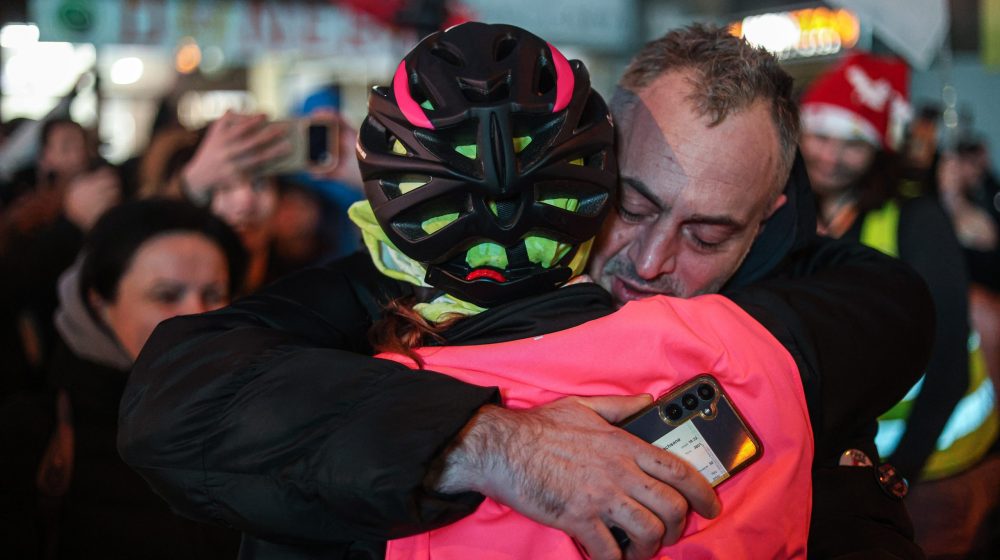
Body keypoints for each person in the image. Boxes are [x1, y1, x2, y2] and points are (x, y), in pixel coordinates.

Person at [119, 25, 932, 559]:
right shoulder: (410, 281)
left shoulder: (822, 304)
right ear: (583, 168)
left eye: (709, 234)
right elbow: (173, 400)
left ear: (767, 225)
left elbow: (899, 312)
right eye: (633, 204)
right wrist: (493, 443)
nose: (651, 260)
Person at [799, 52, 999, 557]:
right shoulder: (789, 211)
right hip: (846, 467)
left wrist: (899, 477)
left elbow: (948, 362)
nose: (830, 157)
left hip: (936, 465)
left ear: (879, 149)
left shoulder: (915, 219)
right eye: (820, 136)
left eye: (853, 144)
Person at [22, 198, 246, 558]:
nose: (196, 315)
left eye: (214, 294)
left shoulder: (256, 420)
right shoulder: (34, 436)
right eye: (166, 295)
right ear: (99, 304)